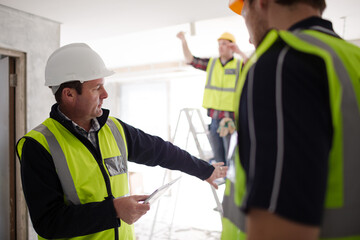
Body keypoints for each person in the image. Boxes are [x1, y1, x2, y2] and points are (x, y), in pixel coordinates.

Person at [16, 43, 228, 240]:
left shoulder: (115, 129)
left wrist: (203, 170)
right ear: (69, 94)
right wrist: (114, 210)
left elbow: (161, 151)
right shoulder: (38, 145)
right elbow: (49, 222)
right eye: (96, 88)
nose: (105, 94)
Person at [221, 0, 360, 239]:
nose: (247, 32)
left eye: (244, 11)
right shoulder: (351, 59)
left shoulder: (282, 63)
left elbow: (281, 227)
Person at [176, 31, 247, 166]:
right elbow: (190, 60)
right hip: (214, 118)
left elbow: (252, 67)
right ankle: (223, 184)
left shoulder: (238, 64)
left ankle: (232, 183)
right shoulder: (212, 63)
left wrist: (240, 52)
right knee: (219, 161)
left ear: (231, 46)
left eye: (224, 44)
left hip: (230, 119)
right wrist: (183, 41)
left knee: (232, 159)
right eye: (219, 44)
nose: (220, 47)